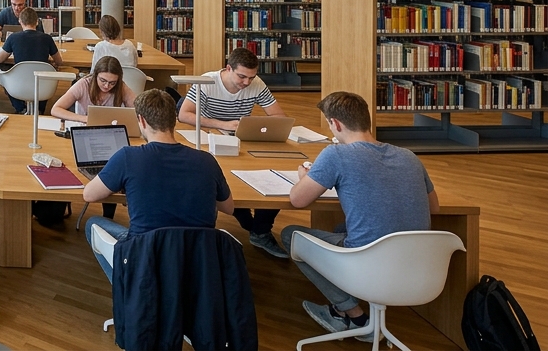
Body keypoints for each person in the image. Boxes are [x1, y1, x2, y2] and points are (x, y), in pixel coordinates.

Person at [282, 91, 440, 338]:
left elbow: (297, 199)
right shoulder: (409, 156)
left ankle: (355, 316)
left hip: (367, 263)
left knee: (290, 234)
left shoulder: (336, 154)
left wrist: (305, 178)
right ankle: (344, 309)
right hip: (419, 265)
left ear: (335, 123)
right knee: (338, 228)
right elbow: (434, 208)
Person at [82, 89, 235, 282]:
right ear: (174, 120)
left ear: (142, 121)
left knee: (93, 223)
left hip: (146, 257)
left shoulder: (128, 157)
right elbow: (228, 208)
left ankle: (128, 290)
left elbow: (89, 194)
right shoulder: (206, 161)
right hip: (197, 260)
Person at [180, 46, 290, 258]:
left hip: (241, 139)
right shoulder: (208, 81)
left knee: (275, 176)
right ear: (228, 68)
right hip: (210, 138)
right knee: (219, 178)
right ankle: (253, 225)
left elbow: (279, 117)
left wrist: (250, 125)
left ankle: (259, 228)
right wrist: (222, 124)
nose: (246, 83)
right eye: (241, 76)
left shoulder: (256, 84)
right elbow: (184, 115)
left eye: (251, 77)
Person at [0, 7, 63, 114]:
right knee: (46, 75)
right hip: (43, 85)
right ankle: (40, 109)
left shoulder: (13, 38)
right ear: (37, 22)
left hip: (18, 84)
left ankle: (20, 108)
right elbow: (59, 62)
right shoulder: (47, 38)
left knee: (4, 72)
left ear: (20, 21)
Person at [50, 56, 138, 120]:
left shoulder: (121, 87)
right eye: (103, 80)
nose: (107, 86)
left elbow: (139, 110)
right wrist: (84, 118)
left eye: (112, 83)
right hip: (85, 127)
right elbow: (56, 109)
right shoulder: (84, 84)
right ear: (95, 75)